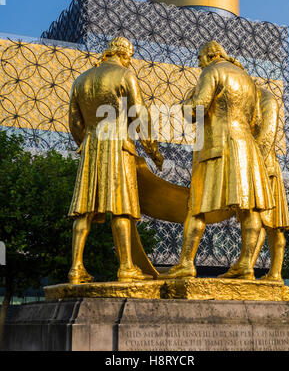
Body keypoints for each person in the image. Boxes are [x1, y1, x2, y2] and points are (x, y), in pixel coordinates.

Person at [166, 40, 275, 280]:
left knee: (196, 207)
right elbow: (256, 120)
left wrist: (184, 105)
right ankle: (247, 263)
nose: (199, 64)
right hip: (246, 148)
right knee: (249, 208)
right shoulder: (247, 79)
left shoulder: (212, 71)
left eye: (199, 60)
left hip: (217, 145)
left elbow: (198, 109)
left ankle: (186, 262)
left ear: (208, 56)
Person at [67, 36, 163, 284]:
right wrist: (153, 150)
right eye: (130, 55)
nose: (130, 60)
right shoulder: (124, 75)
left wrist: (86, 144)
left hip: (91, 147)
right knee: (121, 208)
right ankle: (125, 266)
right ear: (122, 53)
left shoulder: (81, 79)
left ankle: (76, 268)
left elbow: (75, 122)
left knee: (83, 211)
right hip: (118, 145)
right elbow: (139, 113)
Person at [249, 87, 289, 282]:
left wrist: (253, 167)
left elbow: (267, 135)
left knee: (269, 223)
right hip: (262, 166)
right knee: (267, 223)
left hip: (266, 169)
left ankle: (269, 272)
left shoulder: (265, 99)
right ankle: (268, 272)